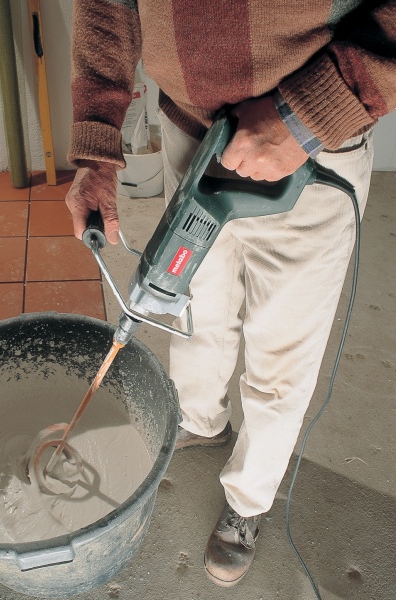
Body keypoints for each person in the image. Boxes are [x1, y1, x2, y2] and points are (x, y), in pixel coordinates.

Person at [64, 0, 396, 588]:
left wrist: (307, 115)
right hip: (191, 136)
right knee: (197, 312)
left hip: (309, 154)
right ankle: (201, 420)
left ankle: (249, 499)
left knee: (281, 361)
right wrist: (95, 147)